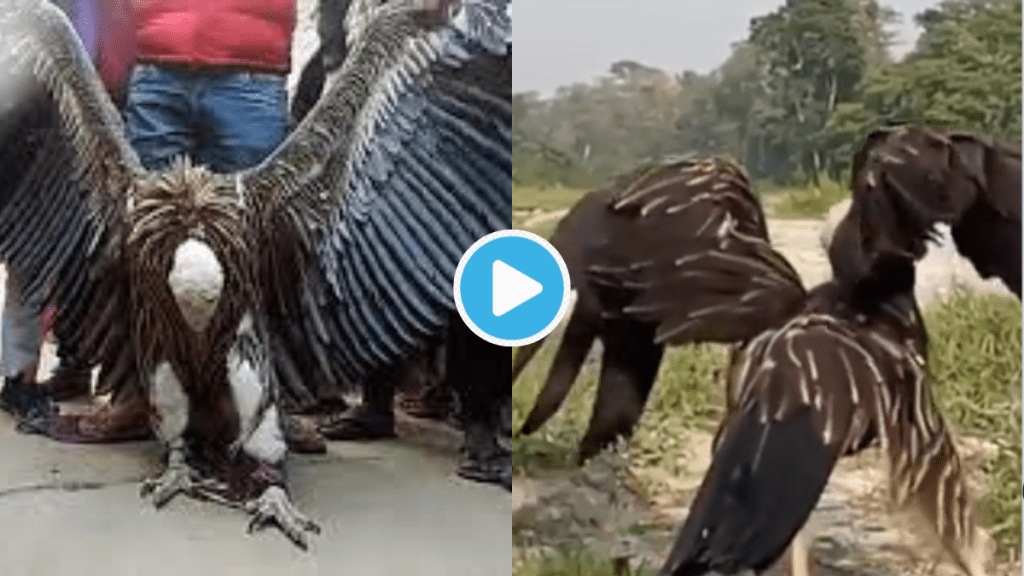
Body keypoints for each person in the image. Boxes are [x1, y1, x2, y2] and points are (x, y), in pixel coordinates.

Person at [49, 0, 328, 454]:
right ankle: (137, 395)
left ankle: (271, 401)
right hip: (160, 65)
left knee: (263, 241)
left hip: (251, 74)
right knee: (140, 237)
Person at [0, 0, 124, 432]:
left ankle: (41, 372)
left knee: (56, 254)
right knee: (29, 251)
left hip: (84, 124)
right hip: (27, 117)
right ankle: (20, 378)